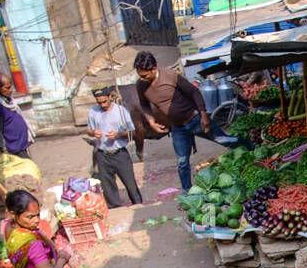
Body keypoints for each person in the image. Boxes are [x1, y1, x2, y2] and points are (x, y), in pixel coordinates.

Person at [132, 50, 212, 191]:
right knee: (182, 162)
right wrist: (151, 121)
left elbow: (194, 92)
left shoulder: (171, 76)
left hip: (195, 119)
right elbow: (144, 104)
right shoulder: (141, 85)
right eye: (139, 76)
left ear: (153, 69)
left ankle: (251, 151)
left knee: (224, 139)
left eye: (144, 75)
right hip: (177, 128)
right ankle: (187, 192)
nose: (142, 79)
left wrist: (203, 115)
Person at [86, 86, 142, 208]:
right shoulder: (93, 112)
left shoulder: (121, 111)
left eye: (104, 101)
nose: (102, 105)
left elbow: (132, 133)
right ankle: (115, 208)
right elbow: (89, 130)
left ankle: (138, 205)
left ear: (110, 97)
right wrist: (94, 132)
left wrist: (118, 134)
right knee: (107, 186)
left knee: (130, 183)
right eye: (99, 102)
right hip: (102, 154)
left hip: (120, 153)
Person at [0, 73, 35, 160]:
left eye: (11, 87)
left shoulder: (7, 100)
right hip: (12, 148)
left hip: (20, 144)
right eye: (7, 88)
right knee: (29, 170)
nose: (11, 90)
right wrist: (4, 150)